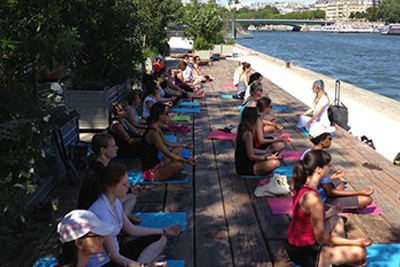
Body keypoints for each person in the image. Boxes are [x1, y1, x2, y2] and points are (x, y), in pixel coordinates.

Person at [287, 150, 371, 267]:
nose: (330, 168)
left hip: (294, 245)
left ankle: (336, 255)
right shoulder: (313, 198)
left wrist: (331, 212)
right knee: (361, 252)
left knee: (337, 219)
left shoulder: (301, 186)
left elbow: (306, 219)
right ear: (318, 169)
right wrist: (354, 242)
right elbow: (320, 236)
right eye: (327, 165)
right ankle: (333, 258)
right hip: (305, 253)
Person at [88, 163, 181, 267]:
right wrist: (142, 266)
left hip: (117, 253)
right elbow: (113, 256)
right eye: (124, 185)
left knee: (161, 238)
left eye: (128, 183)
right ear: (110, 188)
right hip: (104, 264)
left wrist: (164, 230)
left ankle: (143, 263)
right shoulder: (101, 212)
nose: (128, 187)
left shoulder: (115, 202)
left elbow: (132, 230)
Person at [302, 124, 374, 211]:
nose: (330, 140)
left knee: (339, 182)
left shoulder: (307, 153)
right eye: (329, 138)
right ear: (321, 140)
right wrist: (360, 192)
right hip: (321, 201)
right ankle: (337, 208)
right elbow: (329, 192)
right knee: (367, 200)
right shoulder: (321, 159)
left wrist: (332, 177)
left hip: (312, 193)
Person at [77, 133, 140, 224]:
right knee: (131, 197)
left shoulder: (102, 165)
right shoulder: (99, 170)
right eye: (113, 146)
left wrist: (130, 189)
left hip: (98, 203)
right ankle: (122, 222)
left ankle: (124, 220)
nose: (117, 148)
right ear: (103, 150)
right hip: (93, 209)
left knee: (132, 197)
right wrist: (130, 190)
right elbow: (109, 193)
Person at [140, 102, 197, 181]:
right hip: (151, 173)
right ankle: (173, 173)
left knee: (178, 150)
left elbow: (168, 143)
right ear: (160, 115)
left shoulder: (156, 127)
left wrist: (184, 145)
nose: (169, 115)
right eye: (167, 113)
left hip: (157, 164)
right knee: (180, 165)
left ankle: (172, 173)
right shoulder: (153, 133)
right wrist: (186, 161)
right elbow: (167, 153)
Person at [235, 107, 281, 175]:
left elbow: (251, 149)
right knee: (275, 163)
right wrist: (268, 158)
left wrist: (265, 152)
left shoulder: (243, 128)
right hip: (245, 167)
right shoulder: (248, 134)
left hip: (246, 161)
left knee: (271, 155)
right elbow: (251, 157)